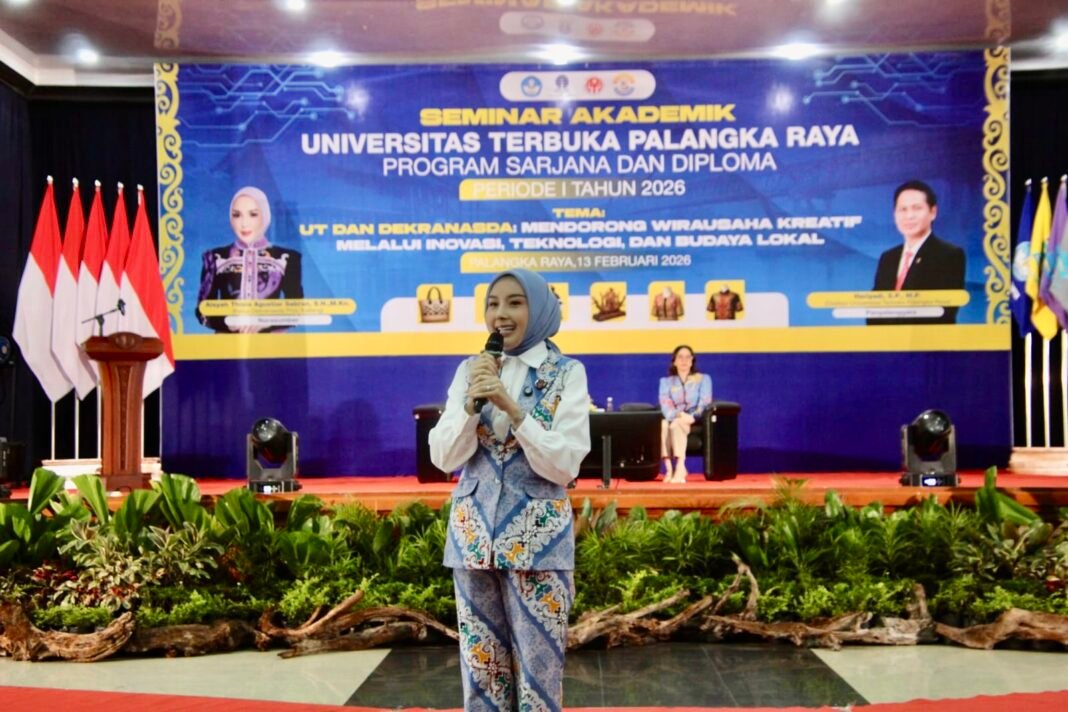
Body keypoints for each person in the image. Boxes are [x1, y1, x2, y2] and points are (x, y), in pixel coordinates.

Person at [428, 268, 591, 712]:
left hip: (538, 542)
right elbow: (443, 457)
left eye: (515, 302)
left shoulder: (566, 373)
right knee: (481, 673)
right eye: (493, 303)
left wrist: (513, 409)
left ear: (538, 310)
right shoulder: (470, 370)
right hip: (472, 539)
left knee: (539, 676)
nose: (501, 313)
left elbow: (565, 464)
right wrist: (470, 408)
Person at [196, 186, 303, 332]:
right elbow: (203, 310)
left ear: (265, 215)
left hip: (274, 342)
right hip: (227, 343)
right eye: (237, 215)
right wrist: (228, 322)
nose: (244, 223)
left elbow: (297, 310)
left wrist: (266, 322)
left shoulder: (288, 258)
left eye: (253, 215)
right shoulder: (215, 257)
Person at [870, 180, 965, 325]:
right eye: (903, 209)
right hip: (885, 339)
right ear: (894, 214)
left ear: (933, 212)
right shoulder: (888, 257)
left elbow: (942, 311)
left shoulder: (949, 255)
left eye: (916, 208)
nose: (909, 216)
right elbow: (874, 308)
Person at [658, 345, 712, 484]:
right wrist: (677, 414)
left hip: (694, 419)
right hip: (675, 417)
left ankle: (680, 466)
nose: (684, 360)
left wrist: (693, 416)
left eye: (688, 357)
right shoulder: (666, 382)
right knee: (663, 425)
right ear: (674, 361)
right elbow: (665, 404)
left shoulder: (703, 379)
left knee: (676, 425)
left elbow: (705, 402)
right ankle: (669, 469)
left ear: (692, 360)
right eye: (680, 357)